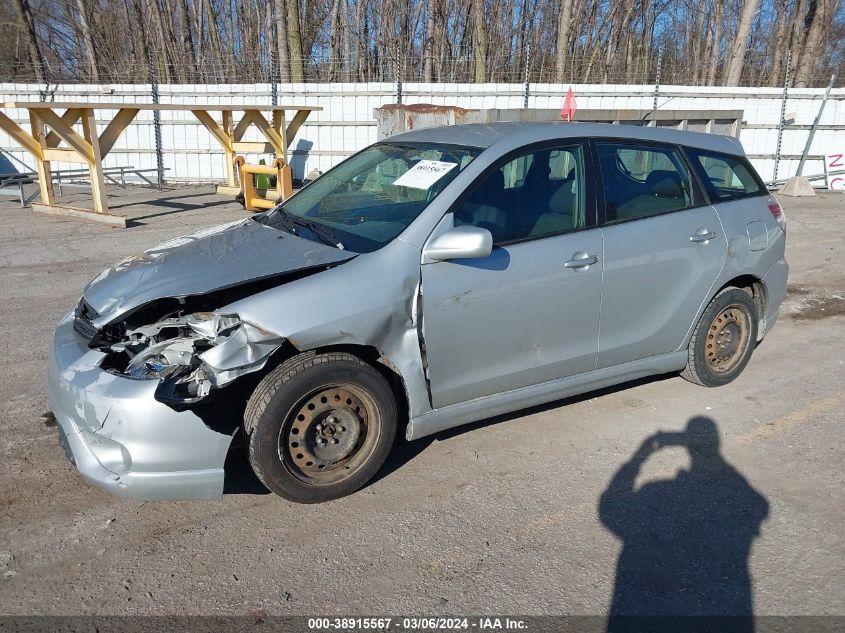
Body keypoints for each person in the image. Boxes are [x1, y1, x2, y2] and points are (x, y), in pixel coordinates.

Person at [599, 417, 769, 633]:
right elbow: (758, 505)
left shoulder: (653, 491)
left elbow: (610, 512)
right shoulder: (740, 496)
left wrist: (638, 458)